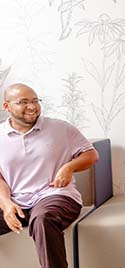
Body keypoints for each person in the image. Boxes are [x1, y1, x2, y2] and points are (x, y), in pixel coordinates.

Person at [0, 83, 99, 268]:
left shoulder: (60, 128)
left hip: (55, 196)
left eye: (35, 101)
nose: (32, 106)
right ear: (7, 106)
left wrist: (69, 167)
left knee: (43, 218)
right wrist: (6, 204)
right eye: (23, 102)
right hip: (17, 202)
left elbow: (91, 155)